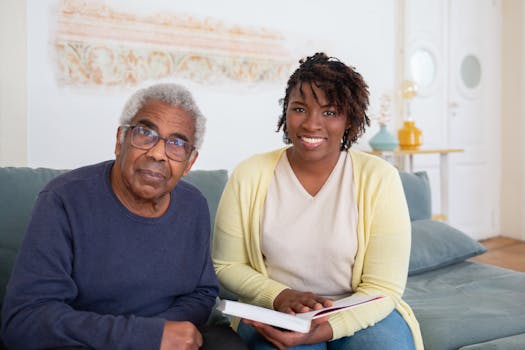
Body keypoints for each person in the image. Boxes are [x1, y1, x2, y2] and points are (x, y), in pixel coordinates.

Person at [1, 83, 247, 350]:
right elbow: (24, 319)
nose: (157, 153)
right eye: (145, 133)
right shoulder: (63, 200)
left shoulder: (194, 205)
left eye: (176, 143)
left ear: (189, 162)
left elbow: (202, 293)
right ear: (120, 141)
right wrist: (143, 336)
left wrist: (161, 333)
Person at [212, 53, 424, 350]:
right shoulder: (250, 174)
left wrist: (322, 330)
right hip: (277, 311)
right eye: (300, 109)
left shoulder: (380, 178)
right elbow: (227, 264)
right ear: (285, 113)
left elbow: (383, 288)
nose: (312, 124)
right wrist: (280, 295)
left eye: (329, 112)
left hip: (359, 309)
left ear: (350, 120)